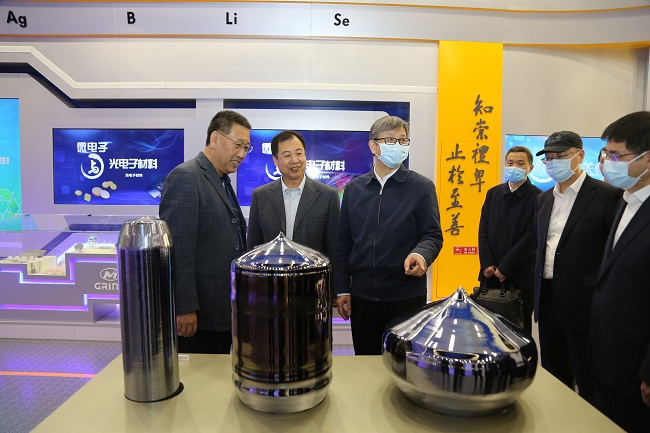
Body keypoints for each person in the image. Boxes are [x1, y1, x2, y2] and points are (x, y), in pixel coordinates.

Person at [334, 115, 443, 355]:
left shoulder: (421, 187)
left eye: (403, 141)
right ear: (373, 146)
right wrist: (342, 289)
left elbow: (432, 235)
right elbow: (343, 243)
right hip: (362, 296)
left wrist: (421, 254)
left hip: (405, 295)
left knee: (403, 362)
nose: (399, 146)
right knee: (366, 360)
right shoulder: (354, 189)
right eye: (391, 140)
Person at [533, 130, 621, 403]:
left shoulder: (607, 196)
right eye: (549, 158)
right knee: (553, 374)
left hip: (585, 303)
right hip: (547, 299)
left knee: (588, 378)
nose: (553, 163)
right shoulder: (544, 199)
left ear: (580, 156)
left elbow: (613, 252)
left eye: (560, 156)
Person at [159, 110, 252, 354]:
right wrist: (184, 307)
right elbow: (178, 250)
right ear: (215, 138)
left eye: (246, 148)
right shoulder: (186, 177)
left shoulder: (222, 180)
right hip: (197, 315)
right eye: (238, 145)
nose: (242, 154)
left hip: (221, 310)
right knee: (196, 375)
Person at [591, 111, 650, 432]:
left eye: (616, 156)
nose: (606, 163)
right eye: (605, 154)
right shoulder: (626, 201)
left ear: (647, 159)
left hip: (637, 366)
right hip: (608, 356)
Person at [477, 145, 542, 335]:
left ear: (530, 168)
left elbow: (532, 237)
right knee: (488, 330)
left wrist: (506, 267)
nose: (515, 167)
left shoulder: (539, 197)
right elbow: (483, 230)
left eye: (521, 164)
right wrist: (487, 263)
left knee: (518, 330)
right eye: (510, 163)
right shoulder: (493, 193)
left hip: (520, 275)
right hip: (491, 274)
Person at [247, 130, 340, 259]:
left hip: (313, 271)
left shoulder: (328, 196)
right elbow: (253, 248)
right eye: (287, 155)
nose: (295, 160)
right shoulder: (260, 196)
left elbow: (335, 250)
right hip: (273, 271)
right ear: (275, 160)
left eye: (299, 153)